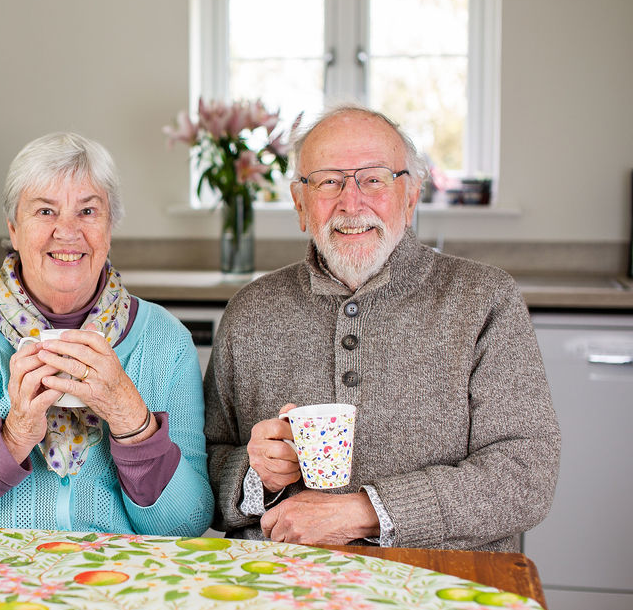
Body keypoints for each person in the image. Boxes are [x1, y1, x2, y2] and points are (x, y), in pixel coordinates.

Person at [204, 105, 561, 551]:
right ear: (300, 204)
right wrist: (255, 475)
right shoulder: (250, 312)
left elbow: (525, 473)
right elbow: (200, 470)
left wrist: (366, 512)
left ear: (410, 197)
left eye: (373, 179)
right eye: (328, 181)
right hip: (282, 581)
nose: (351, 203)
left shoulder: (485, 299)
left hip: (441, 580)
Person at [0, 132, 213, 536]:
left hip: (115, 582)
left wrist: (131, 419)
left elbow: (188, 524)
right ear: (14, 229)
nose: (67, 232)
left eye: (87, 211)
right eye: (45, 212)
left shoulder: (165, 341)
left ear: (110, 228)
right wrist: (11, 438)